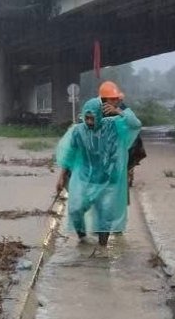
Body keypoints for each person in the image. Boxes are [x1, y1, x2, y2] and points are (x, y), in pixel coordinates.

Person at [54, 97, 142, 247]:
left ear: (99, 116)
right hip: (84, 179)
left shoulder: (112, 126)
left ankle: (102, 250)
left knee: (105, 215)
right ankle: (83, 240)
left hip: (107, 179)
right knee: (75, 209)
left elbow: (135, 124)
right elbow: (70, 154)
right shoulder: (78, 131)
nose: (89, 122)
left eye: (92, 118)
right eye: (86, 118)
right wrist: (61, 176)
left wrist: (118, 111)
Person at [98, 81, 147, 195]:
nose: (116, 101)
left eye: (116, 98)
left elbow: (136, 124)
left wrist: (118, 112)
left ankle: (128, 172)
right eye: (112, 99)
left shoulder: (123, 109)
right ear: (104, 99)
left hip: (126, 142)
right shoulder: (97, 109)